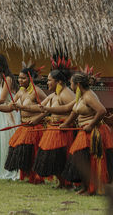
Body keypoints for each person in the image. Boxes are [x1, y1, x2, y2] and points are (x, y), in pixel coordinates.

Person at [61, 71, 113, 195]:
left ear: (77, 84)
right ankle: (85, 186)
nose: (69, 85)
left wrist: (91, 124)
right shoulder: (80, 95)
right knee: (81, 158)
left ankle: (91, 189)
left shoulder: (88, 96)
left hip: (94, 131)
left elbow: (102, 110)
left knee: (88, 159)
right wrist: (65, 124)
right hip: (84, 131)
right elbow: (73, 111)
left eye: (71, 83)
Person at [33, 59, 76, 187]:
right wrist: (18, 106)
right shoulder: (54, 95)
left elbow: (75, 110)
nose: (47, 82)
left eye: (49, 80)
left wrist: (67, 124)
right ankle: (61, 182)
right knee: (51, 155)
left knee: (59, 156)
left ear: (59, 82)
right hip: (53, 129)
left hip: (62, 130)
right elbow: (40, 107)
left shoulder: (66, 94)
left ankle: (66, 182)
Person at [2, 64, 47, 184]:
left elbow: (47, 108)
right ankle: (27, 175)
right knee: (20, 149)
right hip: (24, 125)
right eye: (19, 78)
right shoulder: (21, 91)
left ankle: (37, 177)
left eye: (23, 78)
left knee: (32, 152)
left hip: (34, 127)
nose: (20, 80)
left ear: (30, 78)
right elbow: (9, 107)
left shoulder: (37, 91)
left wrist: (37, 119)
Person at [0, 54, 20, 180]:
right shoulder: (0, 79)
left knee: (7, 140)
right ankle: (2, 170)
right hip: (1, 113)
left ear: (2, 64)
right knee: (1, 141)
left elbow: (1, 100)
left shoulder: (8, 79)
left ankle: (11, 171)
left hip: (9, 114)